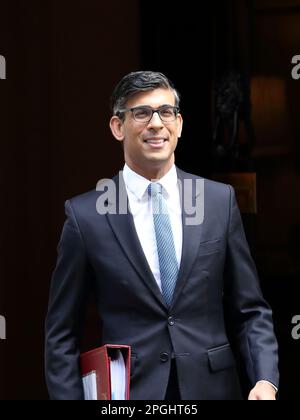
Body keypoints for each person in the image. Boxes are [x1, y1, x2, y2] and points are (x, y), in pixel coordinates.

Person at [45, 71, 279, 400]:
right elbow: (61, 333)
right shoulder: (86, 216)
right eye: (141, 113)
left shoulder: (218, 202)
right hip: (129, 395)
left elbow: (250, 309)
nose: (156, 123)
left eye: (165, 112)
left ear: (179, 124)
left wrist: (265, 380)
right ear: (117, 127)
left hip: (212, 389)